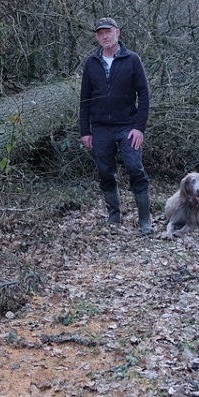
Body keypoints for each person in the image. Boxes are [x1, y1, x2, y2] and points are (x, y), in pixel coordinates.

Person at [79, 17, 153, 234]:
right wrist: (85, 131)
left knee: (134, 168)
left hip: (128, 126)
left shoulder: (132, 60)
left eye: (108, 31)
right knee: (105, 171)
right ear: (97, 36)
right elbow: (84, 99)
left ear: (117, 32)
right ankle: (114, 215)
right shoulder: (91, 63)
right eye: (100, 33)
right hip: (101, 128)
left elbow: (144, 95)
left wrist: (139, 127)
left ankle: (145, 220)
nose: (105, 36)